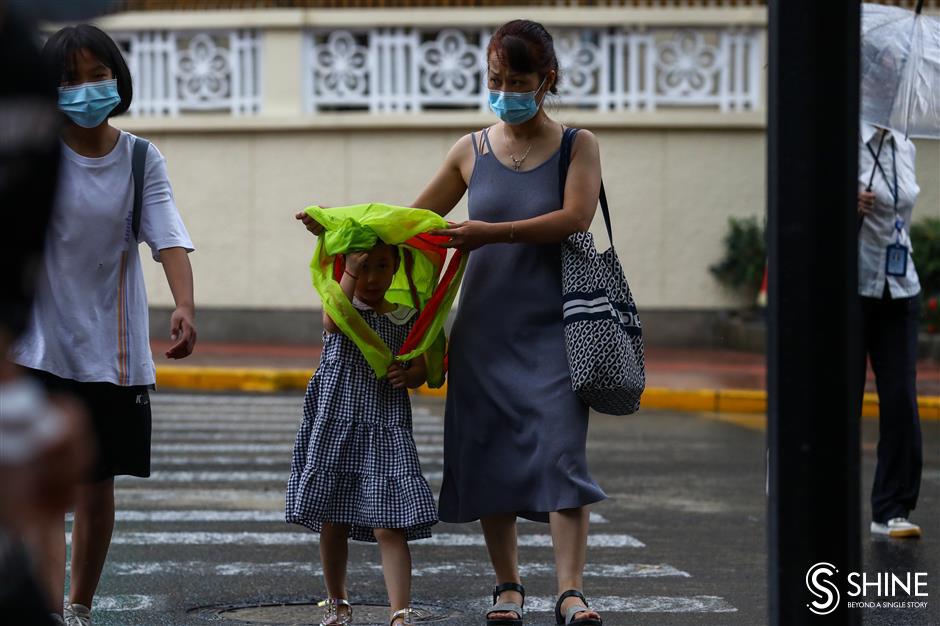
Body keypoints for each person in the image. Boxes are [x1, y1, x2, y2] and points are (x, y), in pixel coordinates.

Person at [296, 18, 606, 626]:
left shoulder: (577, 144)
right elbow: (408, 223)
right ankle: (507, 588)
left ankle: (571, 591)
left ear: (547, 80)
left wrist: (491, 232)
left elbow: (575, 217)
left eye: (517, 80)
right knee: (490, 455)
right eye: (495, 79)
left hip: (555, 328)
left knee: (561, 453)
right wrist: (338, 227)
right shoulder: (471, 150)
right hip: (484, 332)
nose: (504, 89)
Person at [10, 24, 197, 626]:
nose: (87, 90)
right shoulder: (35, 149)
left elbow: (167, 236)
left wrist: (185, 305)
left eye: (98, 75)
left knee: (96, 488)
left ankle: (79, 607)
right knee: (39, 490)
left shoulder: (140, 158)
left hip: (111, 353)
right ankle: (43, 606)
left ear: (118, 79)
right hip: (36, 350)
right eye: (70, 80)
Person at [285, 242, 438, 626]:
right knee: (332, 519)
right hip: (338, 421)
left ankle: (399, 611)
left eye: (382, 267)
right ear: (347, 269)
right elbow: (333, 322)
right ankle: (337, 604)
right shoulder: (342, 307)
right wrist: (346, 273)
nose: (372, 277)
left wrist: (410, 376)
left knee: (390, 523)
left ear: (395, 270)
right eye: (362, 267)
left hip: (385, 426)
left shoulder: (406, 316)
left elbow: (421, 368)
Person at [856, 121, 923, 539]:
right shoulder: (839, 141)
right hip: (851, 285)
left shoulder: (905, 145)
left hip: (900, 285)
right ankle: (825, 502)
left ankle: (892, 508)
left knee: (900, 398)